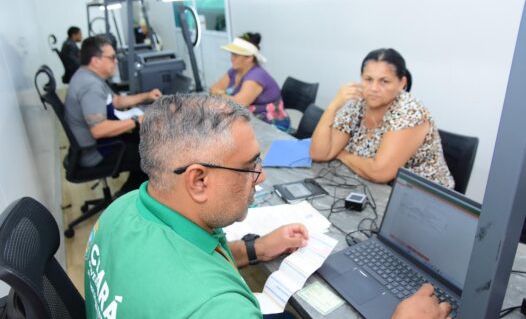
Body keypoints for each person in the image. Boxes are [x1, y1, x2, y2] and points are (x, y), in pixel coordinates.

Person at [84, 94, 451, 319]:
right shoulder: (218, 308)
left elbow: (187, 253)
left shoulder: (123, 208)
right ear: (198, 180)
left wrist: (256, 248)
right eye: (249, 167)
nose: (260, 179)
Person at [310, 48, 454, 188]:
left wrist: (341, 154)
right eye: (368, 79)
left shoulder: (410, 112)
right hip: (370, 186)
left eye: (384, 81)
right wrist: (333, 106)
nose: (373, 88)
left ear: (402, 83)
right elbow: (320, 153)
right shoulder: (360, 102)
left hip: (421, 198)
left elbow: (379, 172)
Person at [64, 35, 161, 194]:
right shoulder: (90, 86)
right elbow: (99, 129)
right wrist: (137, 120)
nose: (116, 61)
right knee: (153, 157)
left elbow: (115, 101)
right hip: (96, 153)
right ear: (96, 61)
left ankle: (128, 192)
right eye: (112, 57)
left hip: (98, 145)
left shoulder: (88, 76)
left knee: (144, 143)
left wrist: (146, 96)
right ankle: (126, 203)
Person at [210, 32, 290, 131]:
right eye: (232, 54)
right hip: (248, 118)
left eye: (236, 55)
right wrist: (224, 95)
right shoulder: (234, 71)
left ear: (249, 57)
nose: (231, 59)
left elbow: (239, 103)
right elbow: (214, 88)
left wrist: (220, 95)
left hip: (270, 123)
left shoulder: (256, 76)